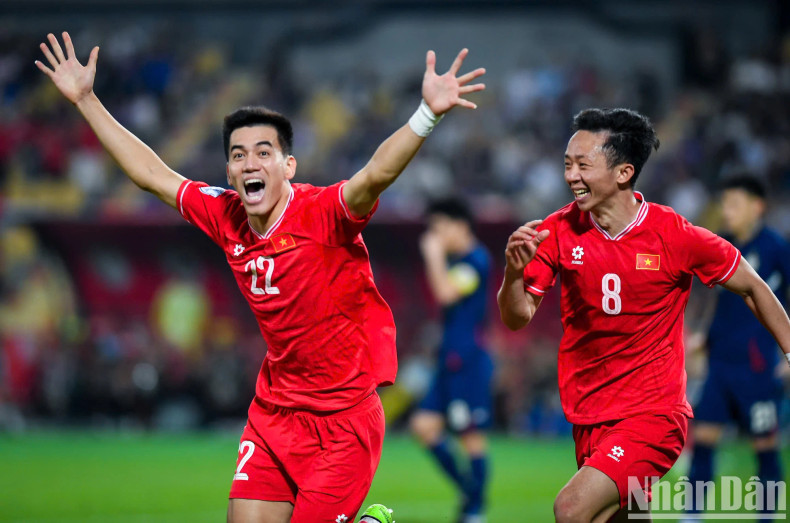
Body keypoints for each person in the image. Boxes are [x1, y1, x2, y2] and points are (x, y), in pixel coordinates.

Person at [36, 31, 485, 523]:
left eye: (263, 152)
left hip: (344, 421)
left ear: (288, 165)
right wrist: (86, 100)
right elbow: (152, 175)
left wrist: (427, 115)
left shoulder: (323, 214)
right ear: (229, 172)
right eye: (238, 154)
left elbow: (375, 175)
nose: (250, 162)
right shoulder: (224, 213)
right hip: (274, 413)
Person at [496, 108, 790, 522]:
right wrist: (512, 273)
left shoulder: (674, 235)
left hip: (653, 415)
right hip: (589, 412)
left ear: (623, 172)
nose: (571, 176)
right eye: (567, 164)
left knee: (572, 509)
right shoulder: (557, 231)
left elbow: (753, 287)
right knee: (623, 518)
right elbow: (517, 316)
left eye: (583, 165)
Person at [686, 175, 788, 510]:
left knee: (765, 446)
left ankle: (767, 517)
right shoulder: (722, 244)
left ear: (756, 207)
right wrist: (701, 334)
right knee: (702, 441)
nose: (727, 211)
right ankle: (692, 515)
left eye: (734, 204)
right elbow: (711, 298)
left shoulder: (776, 248)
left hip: (756, 366)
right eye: (724, 204)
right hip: (719, 362)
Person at [410, 197, 494, 523]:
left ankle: (475, 511)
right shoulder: (461, 260)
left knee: (470, 435)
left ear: (460, 225)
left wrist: (433, 255)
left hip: (468, 362)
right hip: (449, 361)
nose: (436, 235)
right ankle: (471, 493)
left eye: (439, 227)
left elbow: (446, 293)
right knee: (423, 426)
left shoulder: (476, 260)